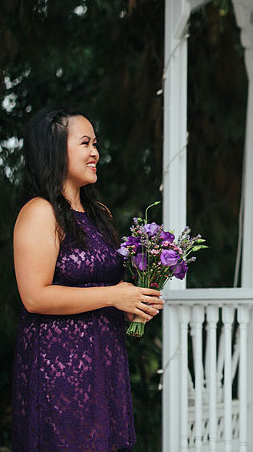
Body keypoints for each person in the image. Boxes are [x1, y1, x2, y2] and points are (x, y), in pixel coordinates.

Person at [12, 108, 164, 451]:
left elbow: (104, 289)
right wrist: (113, 296)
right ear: (54, 149)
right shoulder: (40, 212)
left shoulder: (99, 214)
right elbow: (34, 297)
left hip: (104, 359)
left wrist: (133, 303)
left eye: (95, 143)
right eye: (85, 143)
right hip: (59, 364)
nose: (95, 153)